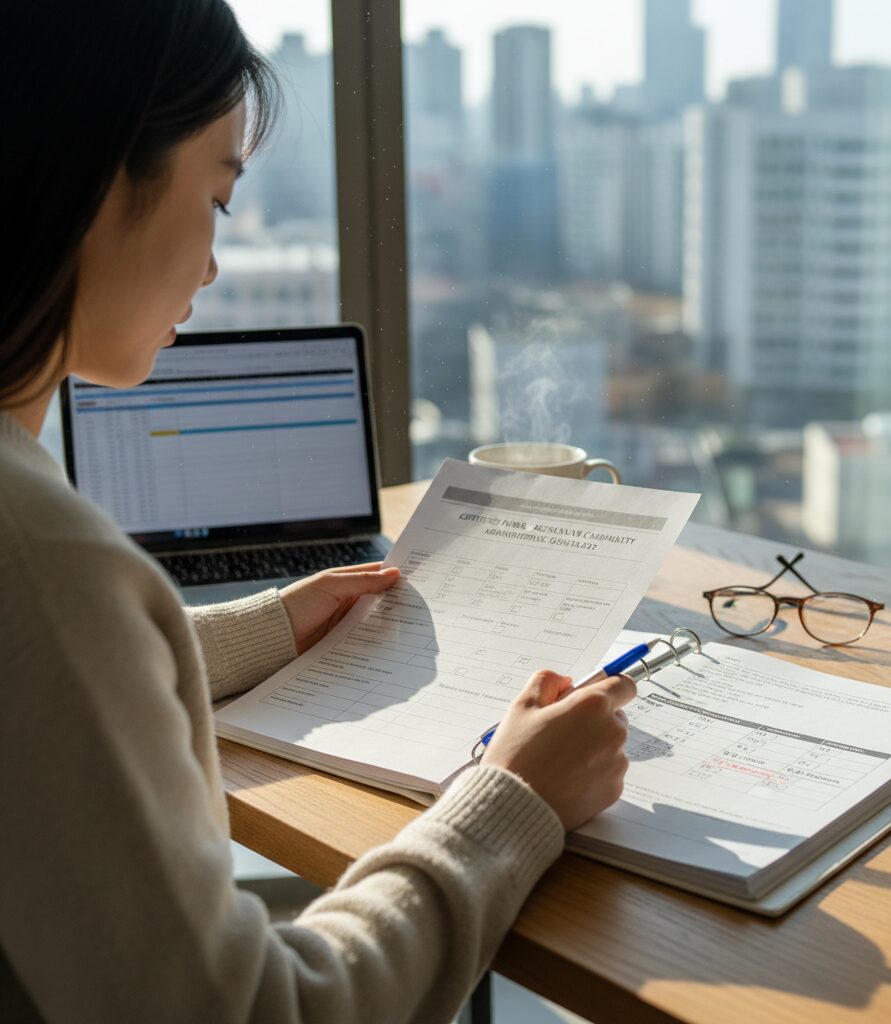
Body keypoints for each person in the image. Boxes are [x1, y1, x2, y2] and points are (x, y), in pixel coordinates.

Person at [0, 2, 636, 1021]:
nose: (211, 264)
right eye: (216, 197)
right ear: (93, 171)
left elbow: (40, 697)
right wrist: (513, 801)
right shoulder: (38, 555)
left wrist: (264, 628)